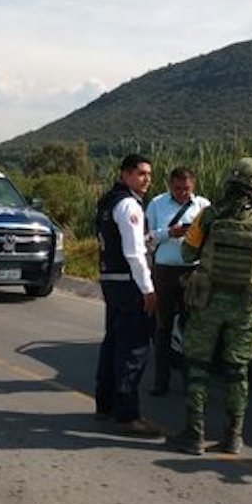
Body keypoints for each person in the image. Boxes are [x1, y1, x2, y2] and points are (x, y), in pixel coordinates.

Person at [165, 158, 252, 456]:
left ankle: (193, 435)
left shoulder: (208, 216)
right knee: (237, 371)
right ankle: (233, 437)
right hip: (244, 307)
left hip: (206, 303)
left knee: (197, 366)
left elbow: (186, 253)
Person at [95, 153, 161, 437]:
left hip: (111, 280)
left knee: (113, 344)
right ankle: (127, 416)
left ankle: (105, 405)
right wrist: (148, 289)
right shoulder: (128, 205)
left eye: (148, 174)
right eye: (140, 173)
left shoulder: (109, 201)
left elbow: (135, 240)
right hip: (129, 284)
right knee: (133, 351)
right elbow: (134, 252)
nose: (146, 179)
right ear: (125, 175)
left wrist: (163, 234)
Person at [144, 167, 210, 396]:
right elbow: (146, 238)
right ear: (170, 185)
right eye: (178, 188)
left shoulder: (203, 206)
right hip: (164, 272)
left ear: (194, 186)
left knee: (192, 328)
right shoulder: (156, 204)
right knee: (162, 328)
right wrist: (168, 233)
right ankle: (161, 380)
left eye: (186, 189)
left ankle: (192, 382)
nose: (182, 193)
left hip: (192, 272)